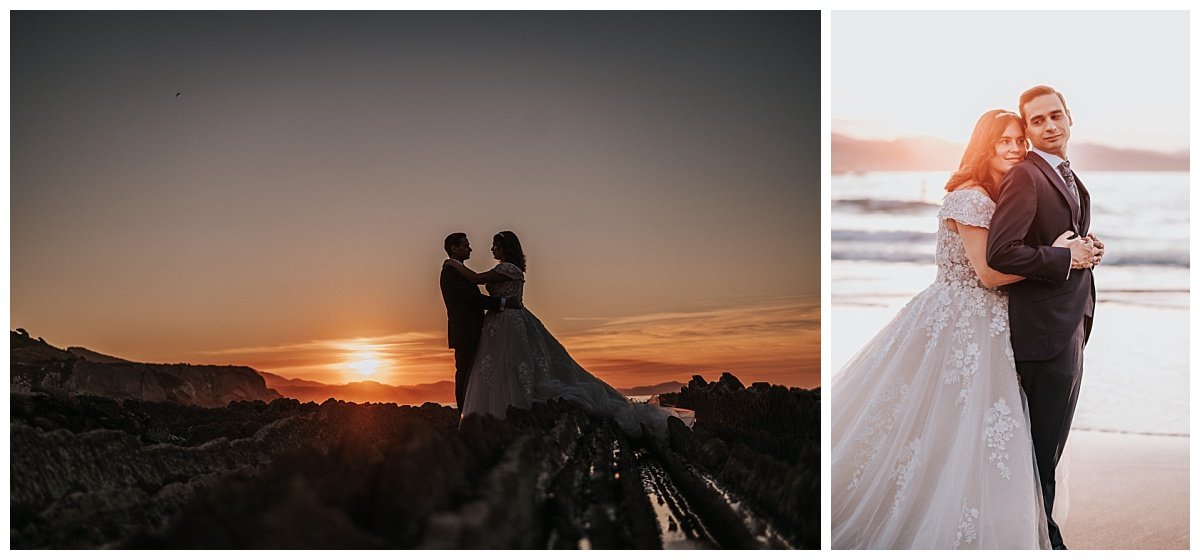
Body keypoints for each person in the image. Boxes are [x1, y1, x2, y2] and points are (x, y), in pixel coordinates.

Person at [831, 109, 1092, 549]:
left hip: (992, 320)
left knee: (978, 430)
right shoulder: (970, 197)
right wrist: (1060, 257)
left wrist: (1066, 251)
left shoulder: (996, 194)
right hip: (962, 320)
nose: (1013, 148)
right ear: (983, 146)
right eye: (1002, 141)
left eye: (1017, 141)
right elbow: (989, 275)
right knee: (946, 426)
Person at [986, 86, 1101, 550]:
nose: (1050, 126)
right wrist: (1064, 259)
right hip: (1043, 335)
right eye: (1037, 121)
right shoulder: (1027, 177)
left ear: (1070, 117)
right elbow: (1001, 251)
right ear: (1028, 129)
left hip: (1069, 324)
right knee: (1040, 455)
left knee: (1046, 451)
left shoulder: (1066, 174)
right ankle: (1043, 543)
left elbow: (1061, 239)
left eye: (1056, 116)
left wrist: (1087, 250)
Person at [443, 230, 686, 438]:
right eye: (468, 245)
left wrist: (451, 262)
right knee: (506, 366)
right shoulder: (506, 268)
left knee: (517, 365)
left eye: (495, 245)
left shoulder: (507, 268)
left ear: (505, 248)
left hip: (509, 321)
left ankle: (511, 409)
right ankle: (498, 411)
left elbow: (475, 279)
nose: (489, 248)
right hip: (499, 322)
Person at [439, 232, 519, 411]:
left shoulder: (458, 270)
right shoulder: (450, 272)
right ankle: (463, 414)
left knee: (475, 372)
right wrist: (503, 303)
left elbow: (474, 285)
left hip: (477, 329)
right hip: (465, 332)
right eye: (466, 245)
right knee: (465, 373)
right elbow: (471, 298)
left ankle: (477, 410)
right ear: (454, 248)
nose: (470, 249)